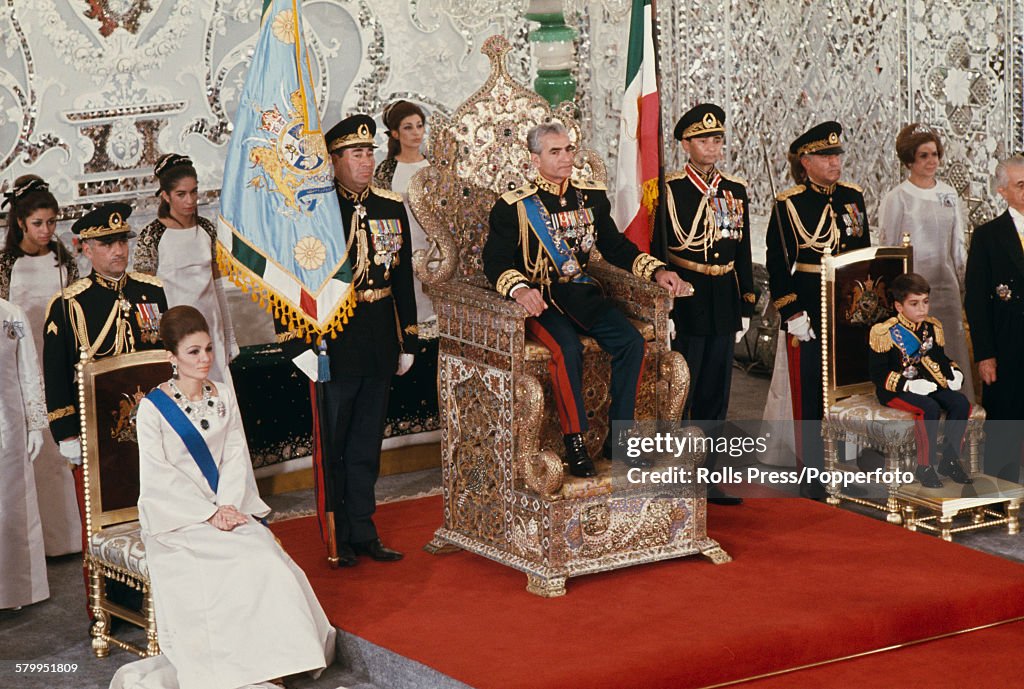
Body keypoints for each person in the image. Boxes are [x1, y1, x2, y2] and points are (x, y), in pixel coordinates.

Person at [110, 306, 333, 689]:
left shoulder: (224, 394)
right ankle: (239, 666)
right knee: (231, 564)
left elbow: (235, 456)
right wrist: (208, 513)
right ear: (172, 357)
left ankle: (276, 660)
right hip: (177, 520)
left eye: (209, 349)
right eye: (193, 352)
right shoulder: (152, 409)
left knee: (265, 558)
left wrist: (228, 507)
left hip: (230, 508)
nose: (205, 359)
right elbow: (159, 478)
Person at [483, 121, 691, 478]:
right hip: (541, 300)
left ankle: (621, 438)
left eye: (569, 150)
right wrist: (520, 289)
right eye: (555, 151)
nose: (566, 158)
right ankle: (575, 441)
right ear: (535, 159)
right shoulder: (514, 206)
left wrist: (656, 270)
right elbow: (495, 261)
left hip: (581, 294)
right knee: (567, 349)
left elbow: (614, 247)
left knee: (630, 342)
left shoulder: (591, 197)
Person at [278, 114, 417, 567]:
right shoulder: (314, 213)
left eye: (370, 151)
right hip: (332, 344)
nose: (365, 160)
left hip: (377, 338)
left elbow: (403, 279)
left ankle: (364, 530)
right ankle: (335, 535)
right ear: (333, 160)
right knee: (334, 447)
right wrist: (294, 344)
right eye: (355, 153)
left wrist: (408, 340)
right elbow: (290, 280)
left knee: (365, 446)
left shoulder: (390, 206)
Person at [42, 202, 167, 607]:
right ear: (85, 249)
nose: (118, 250)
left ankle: (161, 596)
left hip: (152, 429)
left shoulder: (151, 291)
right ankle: (106, 604)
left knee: (155, 510)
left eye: (121, 241)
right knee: (102, 524)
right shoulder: (69, 304)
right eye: (106, 243)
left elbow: (162, 358)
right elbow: (56, 374)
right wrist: (65, 434)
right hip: (98, 437)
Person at [765, 121, 871, 499]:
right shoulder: (789, 203)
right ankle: (812, 472)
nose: (835, 162)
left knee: (848, 391)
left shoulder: (853, 197)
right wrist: (791, 313)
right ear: (805, 161)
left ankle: (848, 463)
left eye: (837, 155)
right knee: (811, 394)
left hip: (849, 308)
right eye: (826, 156)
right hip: (808, 308)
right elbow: (779, 266)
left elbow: (865, 257)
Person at [659, 103, 754, 505]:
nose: (712, 146)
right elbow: (659, 249)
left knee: (717, 392)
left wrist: (747, 302)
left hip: (723, 298)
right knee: (684, 388)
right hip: (687, 297)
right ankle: (678, 473)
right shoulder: (669, 189)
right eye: (703, 140)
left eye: (717, 139)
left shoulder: (735, 190)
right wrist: (662, 304)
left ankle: (710, 474)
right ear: (686, 144)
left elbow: (743, 250)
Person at [0, 176, 81, 556]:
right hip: (18, 370)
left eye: (52, 222)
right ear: (20, 223)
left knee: (58, 453)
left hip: (59, 365)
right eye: (38, 223)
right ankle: (30, 548)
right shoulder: (6, 266)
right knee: (29, 456)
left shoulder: (62, 260)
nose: (47, 230)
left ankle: (66, 540)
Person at [878, 123, 973, 401]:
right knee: (917, 356)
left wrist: (964, 285)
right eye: (923, 155)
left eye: (935, 154)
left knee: (950, 350)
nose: (932, 161)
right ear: (909, 160)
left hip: (946, 290)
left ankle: (959, 422)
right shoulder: (897, 198)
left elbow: (957, 245)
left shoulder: (948, 194)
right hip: (913, 294)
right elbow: (889, 251)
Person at [133, 154, 238, 384]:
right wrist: (152, 343)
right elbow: (143, 296)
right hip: (175, 334)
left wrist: (229, 336)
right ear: (165, 196)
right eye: (181, 194)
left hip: (211, 330)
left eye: (194, 192)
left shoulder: (207, 230)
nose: (190, 200)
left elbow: (217, 285)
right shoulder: (152, 236)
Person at [374, 100, 440, 447]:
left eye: (420, 125)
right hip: (401, 250)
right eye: (409, 127)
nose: (416, 133)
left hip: (436, 251)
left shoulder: (435, 167)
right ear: (395, 133)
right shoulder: (386, 172)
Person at [868, 273, 972, 488]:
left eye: (925, 302)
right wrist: (908, 384)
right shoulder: (884, 331)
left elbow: (941, 359)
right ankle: (924, 467)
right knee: (929, 408)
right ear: (899, 306)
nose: (922, 309)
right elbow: (877, 375)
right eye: (914, 304)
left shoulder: (931, 327)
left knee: (961, 403)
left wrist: (955, 372)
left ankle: (950, 461)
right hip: (896, 390)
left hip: (927, 384)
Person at [964, 155, 1024, 482]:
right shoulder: (988, 235)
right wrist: (984, 354)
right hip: (1006, 341)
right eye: (1020, 185)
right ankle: (1001, 494)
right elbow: (975, 299)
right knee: (1005, 421)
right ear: (1002, 191)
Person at [0, 297, 49, 610]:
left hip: (8, 426)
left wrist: (35, 424)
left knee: (10, 507)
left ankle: (12, 590)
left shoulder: (11, 316)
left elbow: (29, 371)